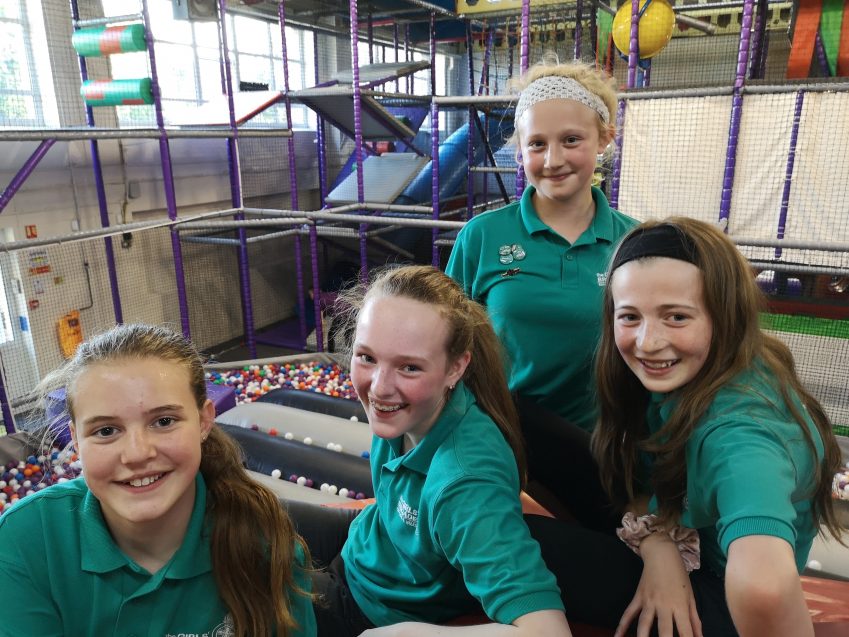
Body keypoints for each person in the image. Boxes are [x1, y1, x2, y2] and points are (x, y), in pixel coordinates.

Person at [526, 217, 845, 636]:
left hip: (711, 600)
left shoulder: (742, 433)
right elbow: (638, 480)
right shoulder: (691, 372)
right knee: (519, 418)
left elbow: (764, 588)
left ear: (725, 315)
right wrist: (659, 546)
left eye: (676, 317)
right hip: (672, 527)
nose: (648, 342)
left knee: (495, 535)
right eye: (630, 317)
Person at [288, 264, 571, 637]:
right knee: (236, 513)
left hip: (371, 607)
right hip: (367, 542)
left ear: (456, 368)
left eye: (409, 367)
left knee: (240, 587)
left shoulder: (464, 483)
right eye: (367, 357)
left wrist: (413, 633)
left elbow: (548, 630)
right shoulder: (408, 412)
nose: (379, 388)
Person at [0, 323, 316, 637]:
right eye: (106, 431)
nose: (136, 454)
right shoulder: (26, 541)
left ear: (204, 421)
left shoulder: (262, 541)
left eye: (164, 421)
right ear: (76, 440)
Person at [446, 58, 637, 528]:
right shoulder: (483, 237)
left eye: (571, 140)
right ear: (520, 151)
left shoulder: (633, 243)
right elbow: (444, 343)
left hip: (599, 451)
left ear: (604, 139)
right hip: (501, 441)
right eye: (537, 144)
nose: (553, 160)